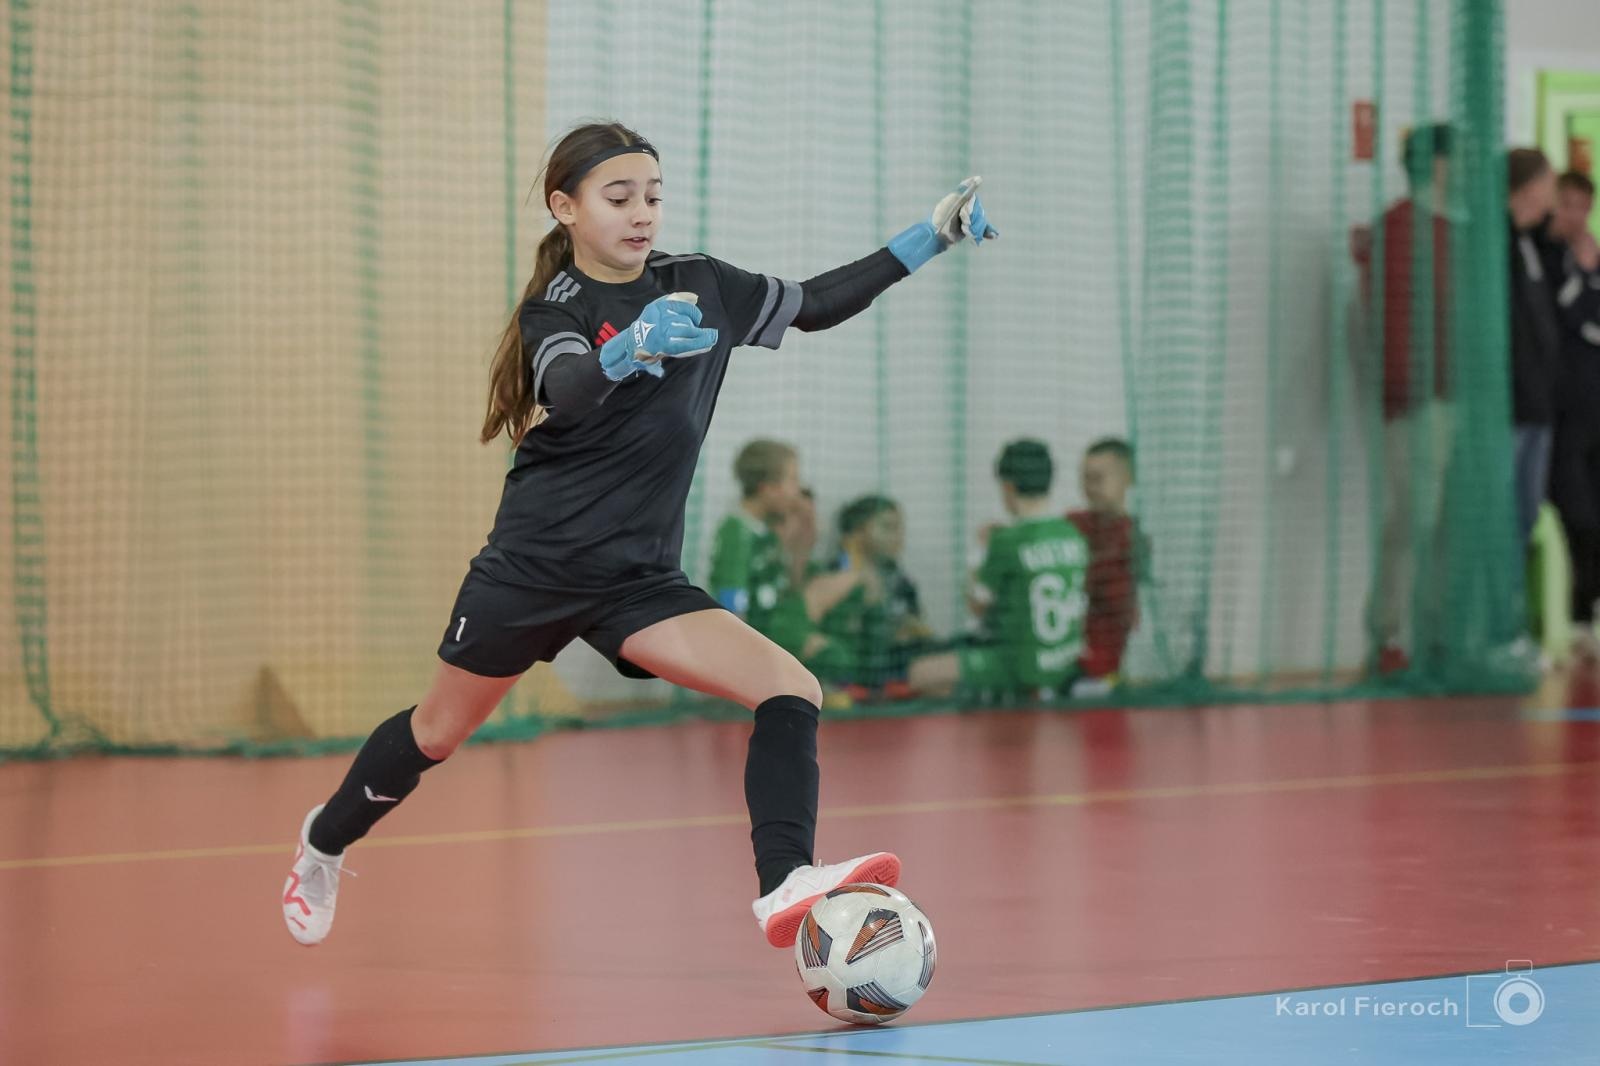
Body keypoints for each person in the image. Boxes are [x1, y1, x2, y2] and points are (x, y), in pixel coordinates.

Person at [280, 121, 998, 952]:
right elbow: (573, 387)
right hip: (535, 567)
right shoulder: (555, 309)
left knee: (790, 688)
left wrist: (931, 237)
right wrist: (633, 348)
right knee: (437, 733)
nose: (642, 212)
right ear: (566, 208)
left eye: (653, 195)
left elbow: (815, 304)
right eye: (619, 197)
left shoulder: (702, 283)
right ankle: (322, 844)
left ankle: (783, 883)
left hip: (637, 579)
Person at [1352, 123, 1454, 674]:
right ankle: (1386, 637)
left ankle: (1436, 635)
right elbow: (1385, 319)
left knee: (1445, 522)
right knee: (1414, 515)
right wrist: (1405, 390)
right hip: (1417, 403)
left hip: (1460, 402)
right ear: (1437, 164)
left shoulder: (1458, 232)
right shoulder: (1398, 228)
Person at [907, 439, 1088, 701]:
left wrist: (979, 553)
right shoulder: (1072, 534)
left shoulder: (1006, 541)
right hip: (1065, 662)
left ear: (1008, 487)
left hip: (1019, 663)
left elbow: (977, 605)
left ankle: (1004, 694)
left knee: (919, 673)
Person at [1541, 171, 1600, 650]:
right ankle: (1573, 618)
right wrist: (1580, 277)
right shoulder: (1546, 258)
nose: (1573, 215)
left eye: (1582, 206)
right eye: (1566, 204)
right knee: (1576, 513)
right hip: (1560, 416)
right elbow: (1568, 319)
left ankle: (1586, 619)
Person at [807, 495, 932, 694]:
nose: (898, 536)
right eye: (888, 527)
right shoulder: (833, 576)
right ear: (859, 532)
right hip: (850, 677)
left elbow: (914, 624)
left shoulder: (899, 579)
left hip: (895, 669)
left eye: (900, 528)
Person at [1507, 148, 1562, 550]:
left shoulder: (1532, 243)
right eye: (1549, 184)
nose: (1554, 195)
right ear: (1527, 188)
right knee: (1505, 521)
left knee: (1526, 518)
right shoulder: (1496, 245)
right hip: (1510, 409)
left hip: (1540, 404)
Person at [1066, 438, 1146, 680]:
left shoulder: (1134, 537)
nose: (1089, 487)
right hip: (1065, 652)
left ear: (1127, 479)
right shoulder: (1073, 524)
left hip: (1104, 662)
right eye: (1085, 478)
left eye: (1098, 478)